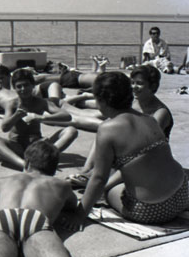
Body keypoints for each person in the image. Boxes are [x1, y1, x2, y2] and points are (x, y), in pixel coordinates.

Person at [68, 72, 188, 228]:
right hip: (182, 194)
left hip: (153, 209)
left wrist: (79, 215)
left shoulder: (107, 129)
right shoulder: (150, 119)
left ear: (102, 101)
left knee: (109, 192)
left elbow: (99, 179)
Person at [0, 68, 78, 170]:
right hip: (17, 146)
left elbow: (66, 115)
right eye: (19, 86)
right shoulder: (12, 104)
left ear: (33, 85)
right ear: (14, 88)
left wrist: (42, 117)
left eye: (26, 85)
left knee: (71, 130)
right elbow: (4, 128)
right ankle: (25, 165)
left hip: (36, 146)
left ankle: (47, 158)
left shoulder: (41, 102)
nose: (23, 89)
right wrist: (16, 116)